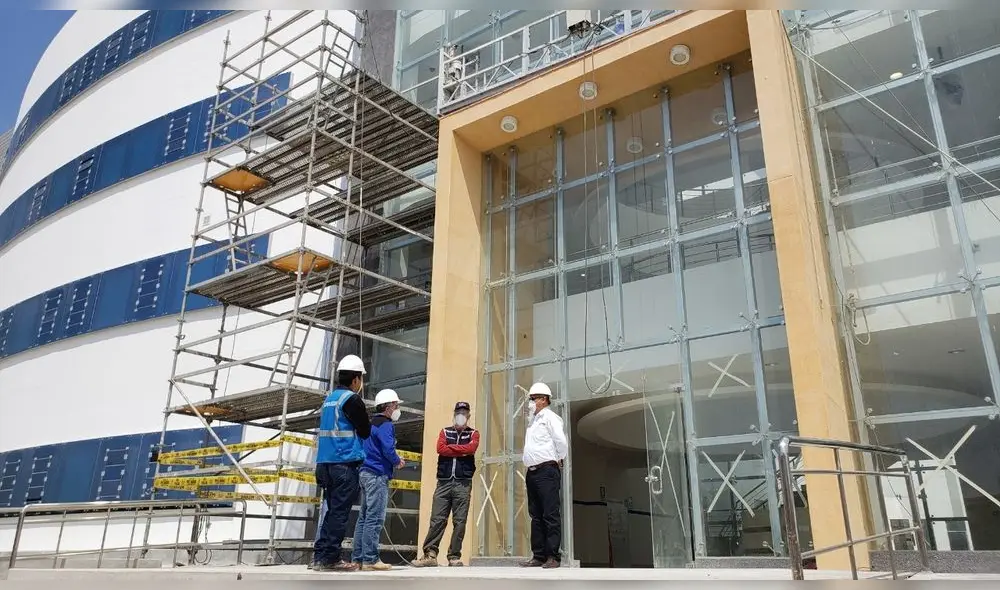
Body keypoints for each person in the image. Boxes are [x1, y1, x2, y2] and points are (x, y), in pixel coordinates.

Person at [312, 354, 372, 572]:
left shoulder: (329, 400)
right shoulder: (351, 399)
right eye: (361, 379)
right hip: (344, 463)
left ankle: (320, 556)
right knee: (339, 513)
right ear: (356, 379)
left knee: (330, 511)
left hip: (324, 464)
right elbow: (365, 431)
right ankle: (330, 559)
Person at [412, 401, 480, 568]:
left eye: (464, 412)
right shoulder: (445, 431)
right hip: (443, 482)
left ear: (468, 415)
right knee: (437, 519)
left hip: (463, 483)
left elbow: (471, 449)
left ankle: (454, 556)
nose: (461, 415)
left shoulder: (473, 433)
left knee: (460, 521)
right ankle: (430, 554)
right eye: (459, 412)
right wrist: (461, 449)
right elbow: (440, 449)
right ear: (454, 413)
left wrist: (454, 448)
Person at [351, 389, 405, 571]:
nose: (397, 409)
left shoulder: (371, 423)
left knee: (364, 517)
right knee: (375, 518)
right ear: (389, 407)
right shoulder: (386, 425)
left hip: (365, 473)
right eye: (396, 405)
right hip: (377, 474)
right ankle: (370, 559)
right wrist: (397, 461)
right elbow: (388, 449)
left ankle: (357, 559)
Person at [519, 382, 568, 570]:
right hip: (532, 472)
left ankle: (553, 556)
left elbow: (561, 441)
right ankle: (538, 555)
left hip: (547, 470)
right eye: (530, 399)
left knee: (550, 514)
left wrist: (559, 458)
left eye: (533, 399)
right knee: (536, 515)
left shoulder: (551, 418)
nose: (530, 402)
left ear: (544, 399)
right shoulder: (533, 421)